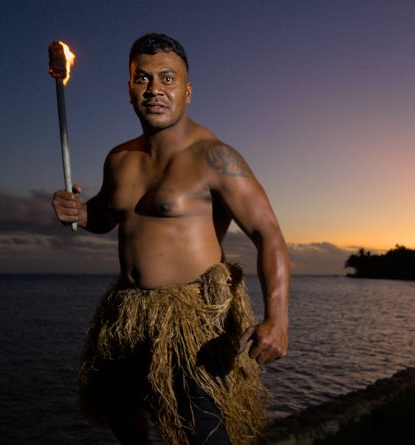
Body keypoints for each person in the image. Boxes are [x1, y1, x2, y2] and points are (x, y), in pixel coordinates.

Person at [51, 33, 289, 445]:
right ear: (129, 89)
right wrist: (81, 213)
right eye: (143, 79)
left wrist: (278, 319)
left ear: (187, 90)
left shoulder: (215, 157)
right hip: (127, 315)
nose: (155, 90)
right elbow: (106, 215)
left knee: (202, 429)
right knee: (124, 415)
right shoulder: (119, 158)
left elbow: (268, 233)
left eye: (167, 79)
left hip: (192, 323)